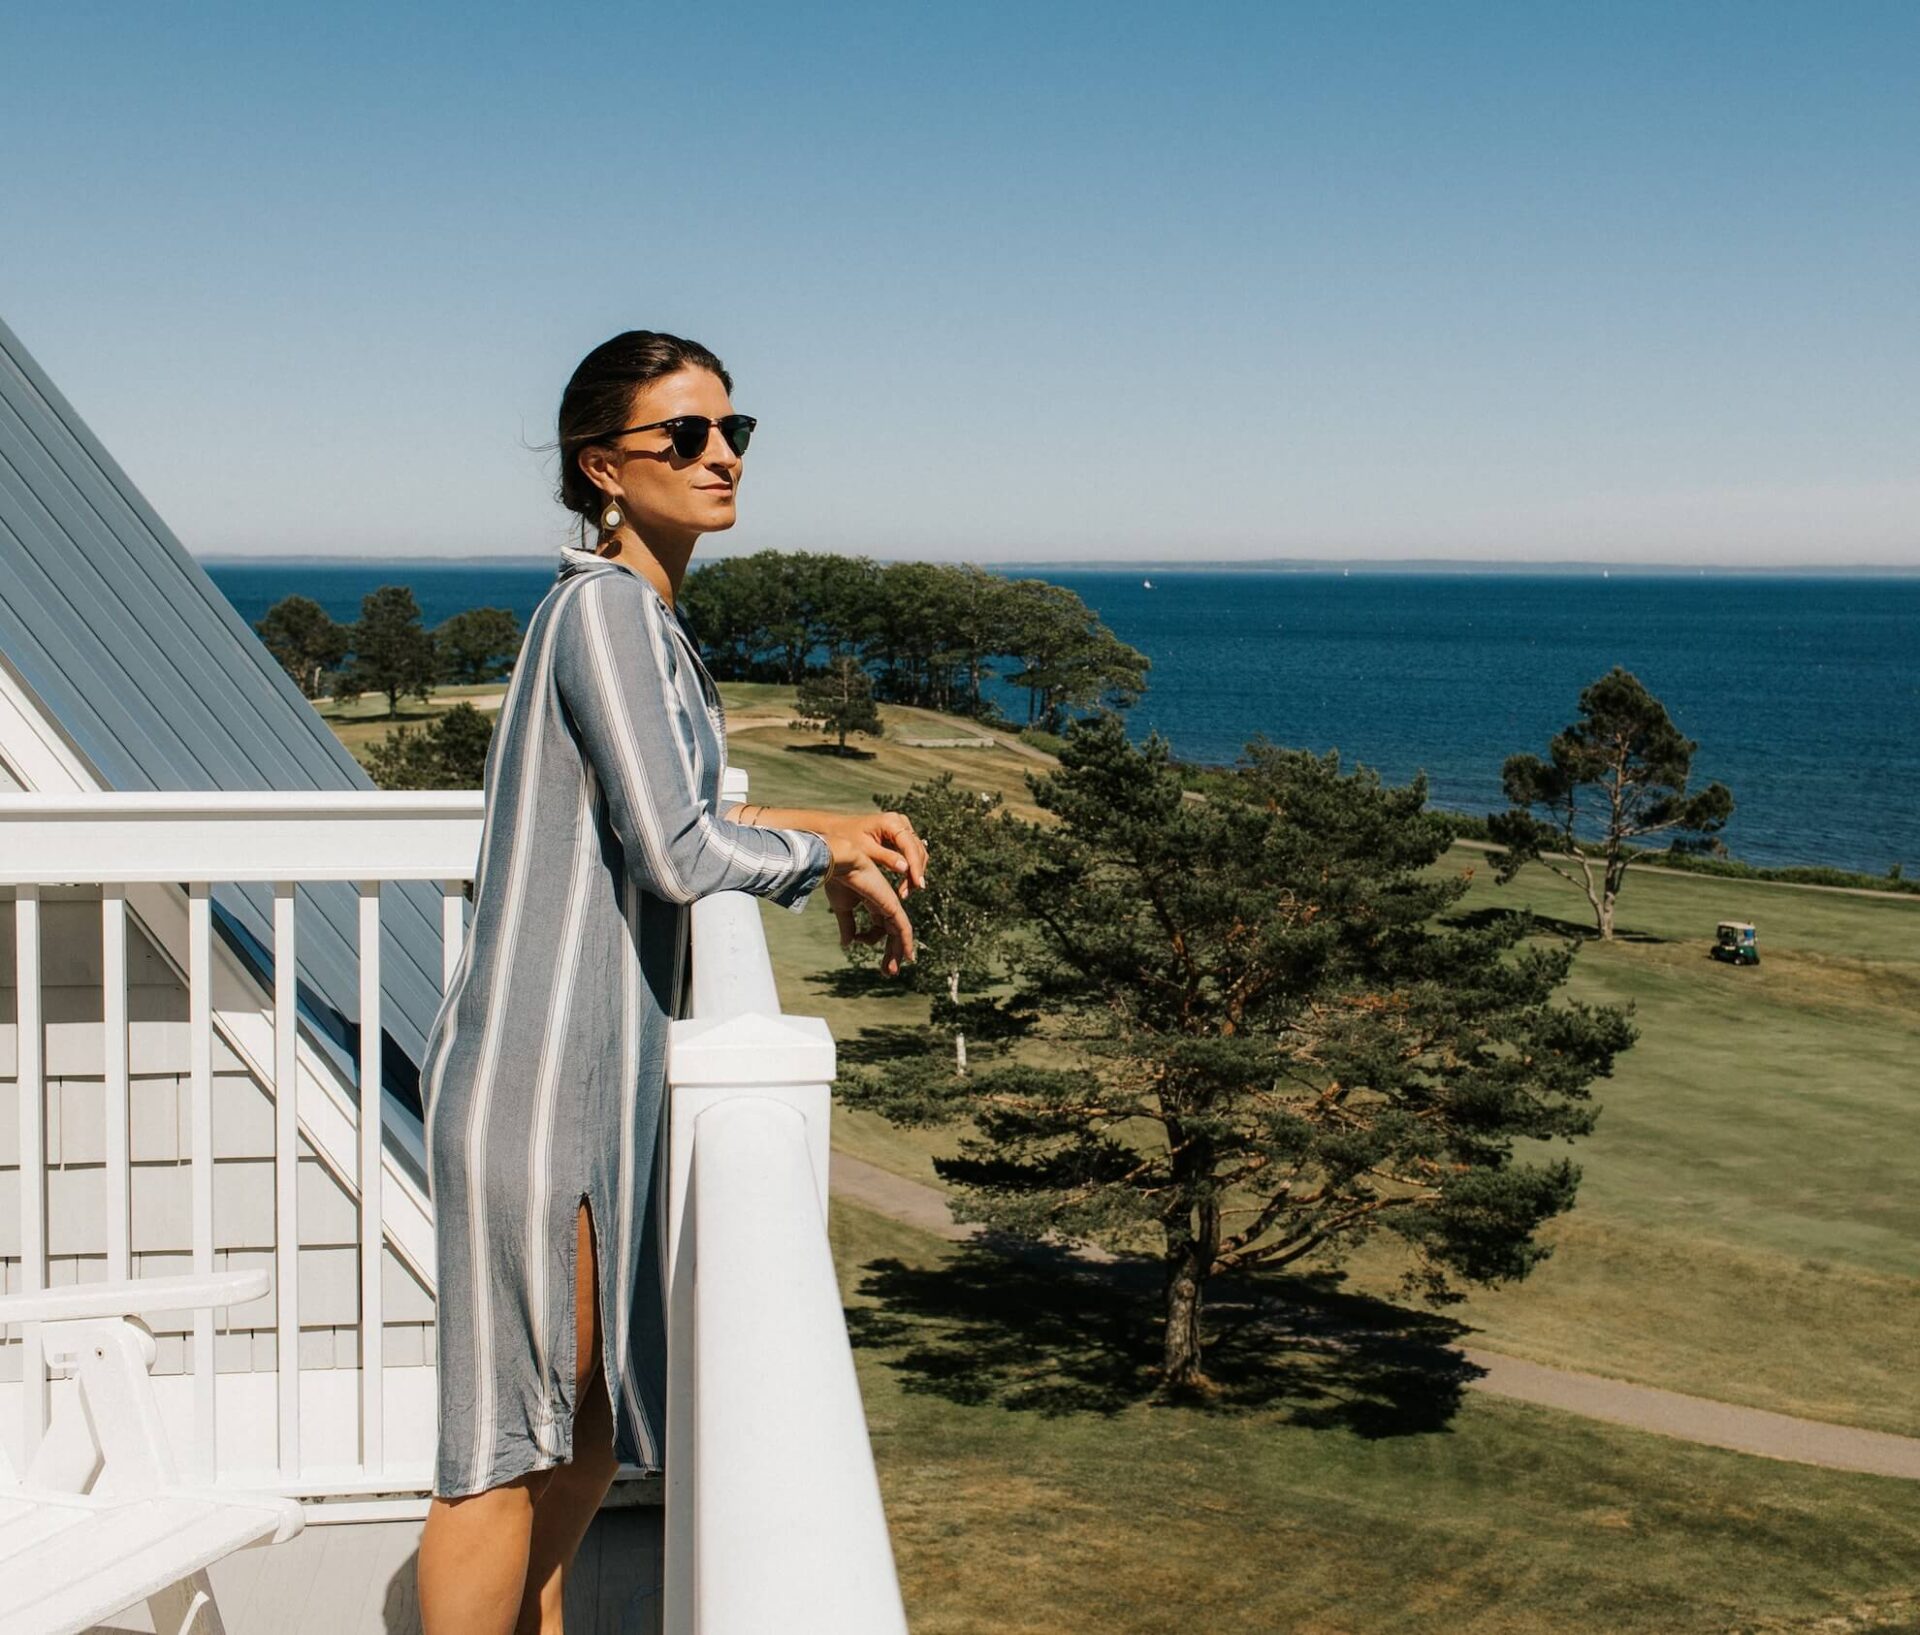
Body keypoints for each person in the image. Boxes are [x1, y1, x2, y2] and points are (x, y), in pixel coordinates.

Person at [415, 330, 926, 1635]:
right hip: (534, 1081)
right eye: (684, 435)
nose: (721, 456)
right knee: (505, 1450)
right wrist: (818, 858)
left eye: (731, 431)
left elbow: (681, 804)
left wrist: (834, 827)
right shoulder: (603, 612)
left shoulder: (640, 618)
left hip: (592, 1077)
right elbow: (675, 847)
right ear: (603, 467)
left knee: (583, 1429)